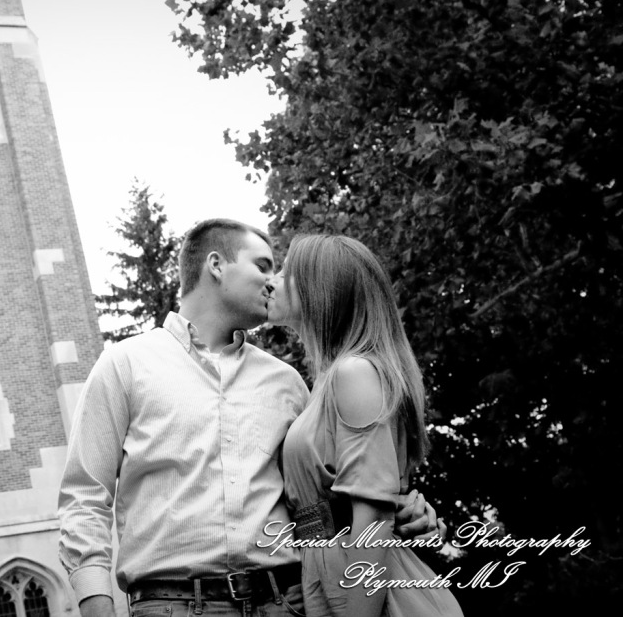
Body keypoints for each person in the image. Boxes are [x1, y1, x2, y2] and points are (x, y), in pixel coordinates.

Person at [59, 219, 440, 617]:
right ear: (217, 265)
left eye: (280, 269)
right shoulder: (125, 365)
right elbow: (84, 495)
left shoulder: (289, 383)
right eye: (262, 265)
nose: (273, 280)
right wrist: (96, 606)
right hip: (170, 605)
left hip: (287, 602)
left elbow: (334, 489)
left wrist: (404, 510)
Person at [269, 234, 463, 617]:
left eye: (286, 272)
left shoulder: (354, 372)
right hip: (332, 573)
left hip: (366, 589)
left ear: (322, 289)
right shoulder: (327, 380)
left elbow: (373, 517)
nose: (272, 280)